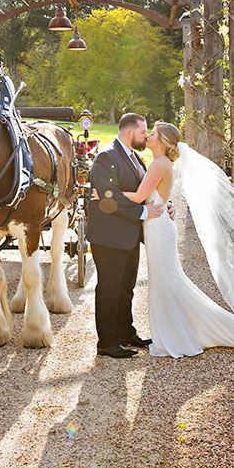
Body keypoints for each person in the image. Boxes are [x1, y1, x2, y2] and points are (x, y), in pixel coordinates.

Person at [123, 121, 234, 358]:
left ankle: (178, 335)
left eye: (153, 133)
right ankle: (176, 330)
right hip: (158, 225)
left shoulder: (158, 165)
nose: (148, 135)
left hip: (159, 228)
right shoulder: (163, 164)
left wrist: (105, 193)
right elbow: (157, 197)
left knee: (166, 280)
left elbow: (139, 196)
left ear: (162, 142)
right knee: (165, 280)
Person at [87, 113, 165, 358]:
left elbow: (139, 190)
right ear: (129, 132)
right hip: (108, 236)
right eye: (144, 132)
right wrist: (143, 211)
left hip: (129, 235)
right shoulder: (107, 156)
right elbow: (108, 195)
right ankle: (107, 342)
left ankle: (126, 332)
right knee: (109, 288)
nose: (146, 137)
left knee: (126, 287)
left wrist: (163, 204)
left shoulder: (135, 157)